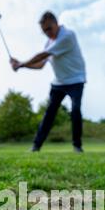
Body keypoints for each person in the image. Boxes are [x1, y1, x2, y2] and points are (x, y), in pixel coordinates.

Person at [11, 11, 86, 153]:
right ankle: (36, 146)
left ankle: (77, 146)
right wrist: (21, 65)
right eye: (44, 31)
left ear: (56, 23)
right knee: (49, 114)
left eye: (49, 28)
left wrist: (21, 64)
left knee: (75, 110)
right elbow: (40, 65)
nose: (47, 33)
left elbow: (42, 55)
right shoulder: (49, 42)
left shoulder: (67, 36)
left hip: (76, 79)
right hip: (59, 82)